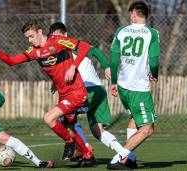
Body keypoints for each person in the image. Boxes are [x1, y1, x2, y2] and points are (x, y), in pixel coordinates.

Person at [0, 20, 96, 167]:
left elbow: (84, 47)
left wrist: (73, 67)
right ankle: (87, 155)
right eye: (27, 37)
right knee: (69, 126)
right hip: (64, 94)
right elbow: (12, 61)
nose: (30, 40)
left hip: (77, 91)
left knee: (49, 118)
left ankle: (70, 143)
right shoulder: (34, 51)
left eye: (32, 36)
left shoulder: (58, 41)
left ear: (40, 32)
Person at [49, 22, 130, 162]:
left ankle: (85, 151)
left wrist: (106, 67)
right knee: (97, 131)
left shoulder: (73, 47)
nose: (56, 40)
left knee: (65, 116)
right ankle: (126, 154)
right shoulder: (59, 54)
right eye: (53, 37)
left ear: (66, 35)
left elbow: (96, 51)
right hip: (99, 92)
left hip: (88, 91)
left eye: (58, 36)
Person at [109, 1, 160, 169]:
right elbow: (153, 60)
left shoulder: (121, 31)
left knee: (135, 120)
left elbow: (114, 59)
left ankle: (129, 159)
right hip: (138, 88)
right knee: (147, 129)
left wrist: (114, 82)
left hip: (123, 86)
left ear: (134, 14)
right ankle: (117, 159)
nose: (130, 16)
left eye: (131, 13)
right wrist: (155, 74)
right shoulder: (151, 33)